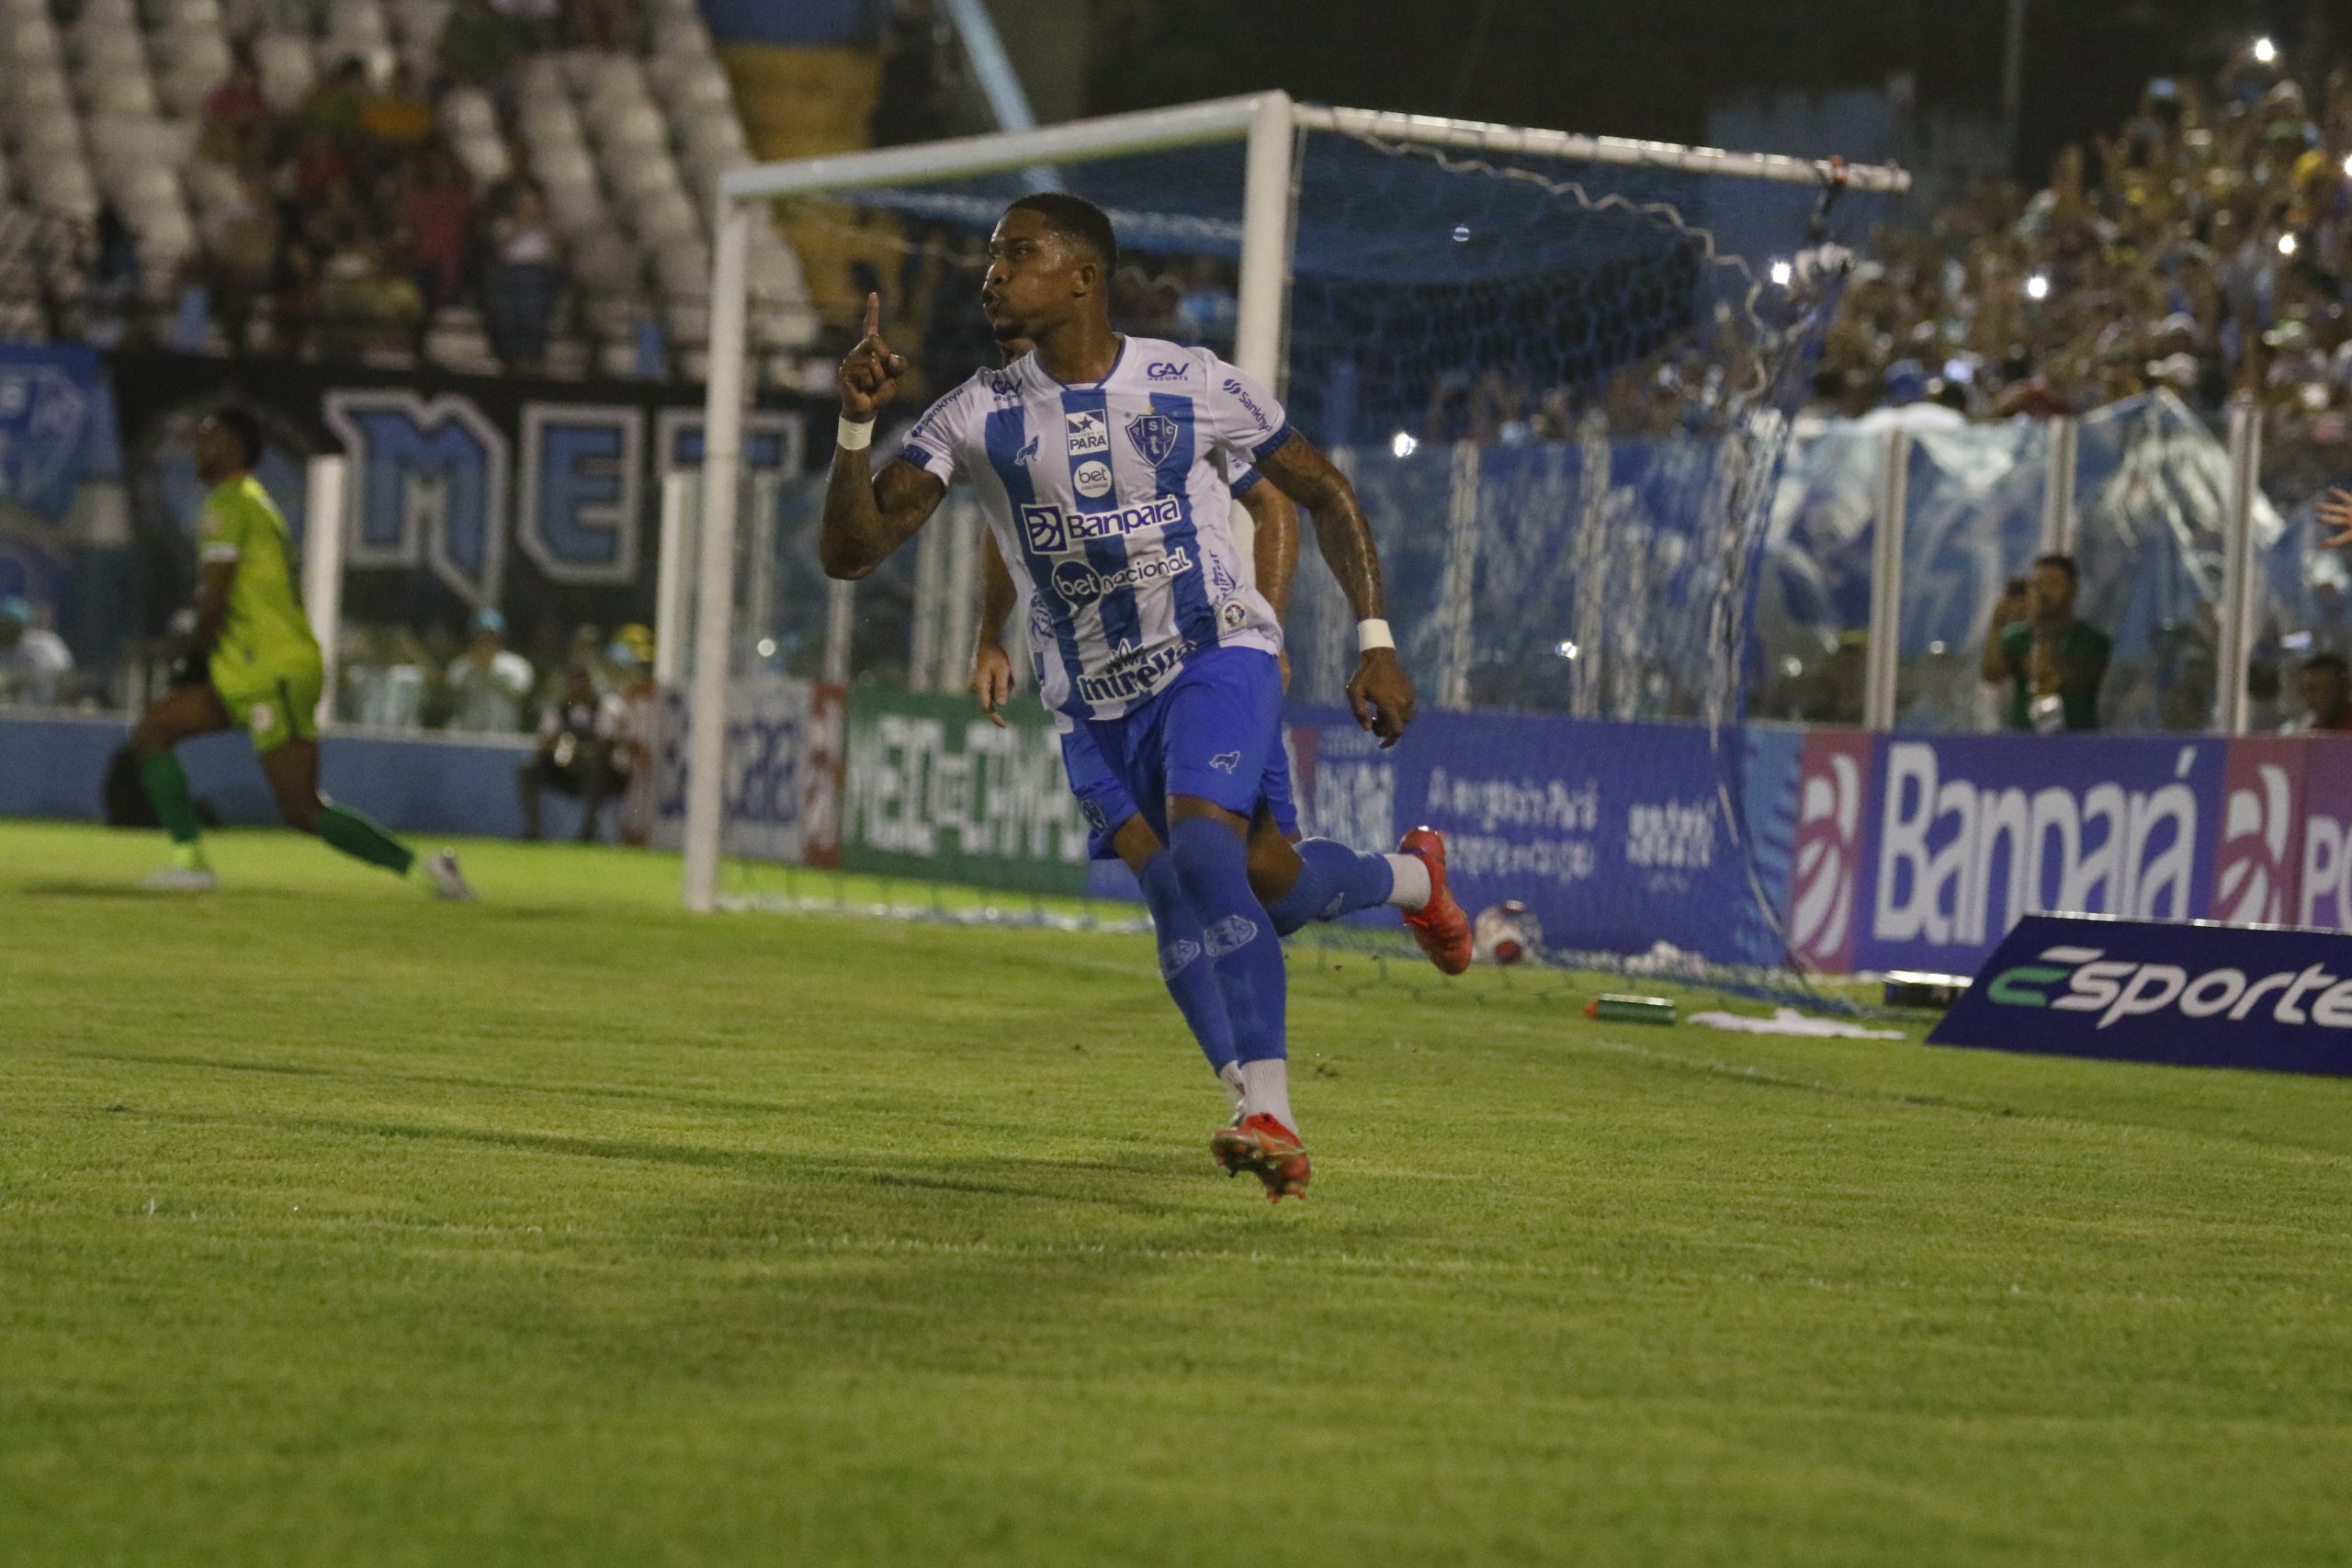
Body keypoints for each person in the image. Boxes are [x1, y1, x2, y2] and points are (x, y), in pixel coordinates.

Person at [824, 193, 1442, 1201]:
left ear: (1082, 276)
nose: (990, 275)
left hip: (1213, 655)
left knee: (1202, 855)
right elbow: (852, 553)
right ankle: (1411, 880)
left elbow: (1316, 492)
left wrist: (1365, 638)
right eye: (988, 259)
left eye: (1014, 255)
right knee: (1256, 888)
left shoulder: (1187, 383)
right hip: (1092, 701)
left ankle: (1268, 1112)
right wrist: (855, 424)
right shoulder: (972, 415)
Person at [969, 334, 1469, 1128]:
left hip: (1204, 668)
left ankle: (1410, 878)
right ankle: (1250, 1096)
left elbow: (1274, 500)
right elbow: (1016, 535)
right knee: (1174, 880)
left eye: (1018, 272)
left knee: (1265, 885)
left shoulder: (1155, 401)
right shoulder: (997, 414)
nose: (1002, 307)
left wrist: (1263, 632)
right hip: (1088, 696)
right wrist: (990, 633)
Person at [128, 408, 474, 898]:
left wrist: (195, 655)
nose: (195, 445)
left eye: (206, 435)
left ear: (232, 444)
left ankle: (427, 872)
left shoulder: (230, 503)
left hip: (272, 670)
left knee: (300, 809)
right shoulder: (247, 501)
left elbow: (215, 594)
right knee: (154, 729)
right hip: (247, 667)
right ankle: (189, 862)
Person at [1979, 554, 2111, 732]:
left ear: (2073, 590)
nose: (2044, 592)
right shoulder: (2018, 636)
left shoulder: (2091, 638)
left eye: (2053, 584)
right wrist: (1998, 624)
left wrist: (2052, 664)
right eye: (2039, 584)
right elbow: (1991, 674)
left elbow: (2089, 678)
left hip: (2077, 739)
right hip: (2025, 738)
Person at [516, 665, 622, 842]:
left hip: (595, 773)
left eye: (582, 685)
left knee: (595, 770)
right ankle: (533, 831)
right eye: (574, 685)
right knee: (528, 770)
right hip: (563, 771)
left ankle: (586, 833)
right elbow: (546, 741)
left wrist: (580, 750)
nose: (578, 691)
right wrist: (562, 747)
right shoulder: (556, 709)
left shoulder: (605, 708)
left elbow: (608, 743)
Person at [442, 608, 534, 733]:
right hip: (466, 734)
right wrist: (475, 668)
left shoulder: (516, 665)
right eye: (481, 636)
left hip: (504, 735)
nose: (486, 642)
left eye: (491, 637)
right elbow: (452, 689)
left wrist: (492, 668)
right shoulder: (461, 665)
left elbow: (520, 689)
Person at [0, 596, 73, 705]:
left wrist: (59, 707)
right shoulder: (2, 648)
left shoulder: (44, 643)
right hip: (11, 713)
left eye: (13, 625)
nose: (9, 629)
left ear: (24, 625)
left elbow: (64, 675)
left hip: (44, 712)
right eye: (5, 624)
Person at [2290, 651, 2352, 732]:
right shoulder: (2311, 732)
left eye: (2325, 689)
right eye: (2307, 690)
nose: (2312, 698)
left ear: (2343, 688)